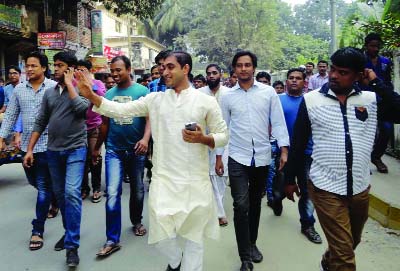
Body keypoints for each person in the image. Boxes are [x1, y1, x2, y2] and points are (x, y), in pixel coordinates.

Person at [76, 50, 228, 271]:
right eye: (162, 67)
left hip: (195, 180)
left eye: (169, 67)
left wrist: (204, 138)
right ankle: (175, 262)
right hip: (163, 178)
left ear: (185, 69)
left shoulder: (206, 102)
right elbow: (119, 110)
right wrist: (91, 96)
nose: (163, 72)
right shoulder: (155, 99)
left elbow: (223, 135)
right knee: (160, 236)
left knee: (195, 239)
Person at [285, 47, 400, 271]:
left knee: (351, 242)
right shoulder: (311, 101)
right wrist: (289, 179)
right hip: (325, 187)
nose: (335, 75)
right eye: (333, 69)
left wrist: (376, 82)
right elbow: (298, 144)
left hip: (359, 187)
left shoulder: (371, 99)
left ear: (359, 75)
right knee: (345, 257)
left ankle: (328, 264)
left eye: (343, 72)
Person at [220, 51, 289, 271]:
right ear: (234, 69)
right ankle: (245, 257)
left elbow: (278, 123)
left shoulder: (268, 93)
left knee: (255, 202)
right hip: (237, 157)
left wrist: (284, 150)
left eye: (247, 65)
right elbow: (223, 128)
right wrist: (218, 157)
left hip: (261, 155)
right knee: (240, 205)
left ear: (254, 68)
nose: (243, 69)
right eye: (239, 65)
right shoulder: (227, 96)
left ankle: (252, 243)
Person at [24, 51, 89, 267]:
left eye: (60, 65)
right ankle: (69, 232)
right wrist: (30, 149)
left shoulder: (82, 87)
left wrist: (71, 83)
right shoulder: (50, 94)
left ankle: (72, 247)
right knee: (60, 197)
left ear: (70, 68)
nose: (56, 68)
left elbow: (82, 110)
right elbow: (40, 121)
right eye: (56, 65)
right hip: (53, 151)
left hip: (76, 150)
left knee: (71, 194)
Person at [0, 52, 57, 251]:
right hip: (27, 148)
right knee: (35, 182)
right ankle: (54, 199)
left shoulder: (53, 87)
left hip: (49, 146)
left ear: (43, 67)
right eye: (27, 66)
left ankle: (37, 230)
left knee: (42, 186)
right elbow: (10, 116)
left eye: (34, 65)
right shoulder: (18, 91)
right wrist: (1, 137)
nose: (29, 69)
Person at [94, 55, 150, 257]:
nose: (115, 74)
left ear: (129, 69)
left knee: (137, 191)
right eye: (112, 71)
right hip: (114, 151)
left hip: (136, 150)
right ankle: (112, 239)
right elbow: (105, 124)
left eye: (119, 70)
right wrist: (97, 148)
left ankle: (136, 221)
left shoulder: (142, 91)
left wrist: (145, 139)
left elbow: (149, 119)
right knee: (112, 193)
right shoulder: (108, 94)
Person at [280, 68, 322, 244]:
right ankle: (276, 200)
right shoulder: (277, 100)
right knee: (277, 189)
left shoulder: (311, 101)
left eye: (298, 78)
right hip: (281, 151)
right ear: (286, 81)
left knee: (307, 190)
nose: (294, 81)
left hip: (306, 153)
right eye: (291, 78)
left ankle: (307, 224)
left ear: (305, 82)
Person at [199, 63, 230, 227]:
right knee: (209, 175)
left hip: (225, 139)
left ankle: (217, 210)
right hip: (205, 139)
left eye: (214, 73)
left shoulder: (229, 94)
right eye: (209, 73)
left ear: (221, 74)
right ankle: (218, 213)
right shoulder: (199, 94)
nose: (211, 76)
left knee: (221, 175)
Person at [76, 60, 106, 203]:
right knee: (80, 160)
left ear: (89, 71)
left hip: (94, 127)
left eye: (83, 70)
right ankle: (84, 188)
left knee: (95, 157)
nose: (80, 73)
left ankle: (96, 188)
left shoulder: (98, 84)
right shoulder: (73, 84)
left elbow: (101, 99)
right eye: (78, 70)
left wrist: (90, 83)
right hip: (78, 128)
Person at [364, 33, 393, 173]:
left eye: (377, 46)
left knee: (387, 128)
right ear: (366, 46)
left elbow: (388, 81)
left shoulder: (386, 62)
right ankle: (362, 163)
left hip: (382, 101)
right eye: (372, 46)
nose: (375, 49)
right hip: (364, 100)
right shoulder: (360, 61)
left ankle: (376, 156)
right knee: (363, 132)